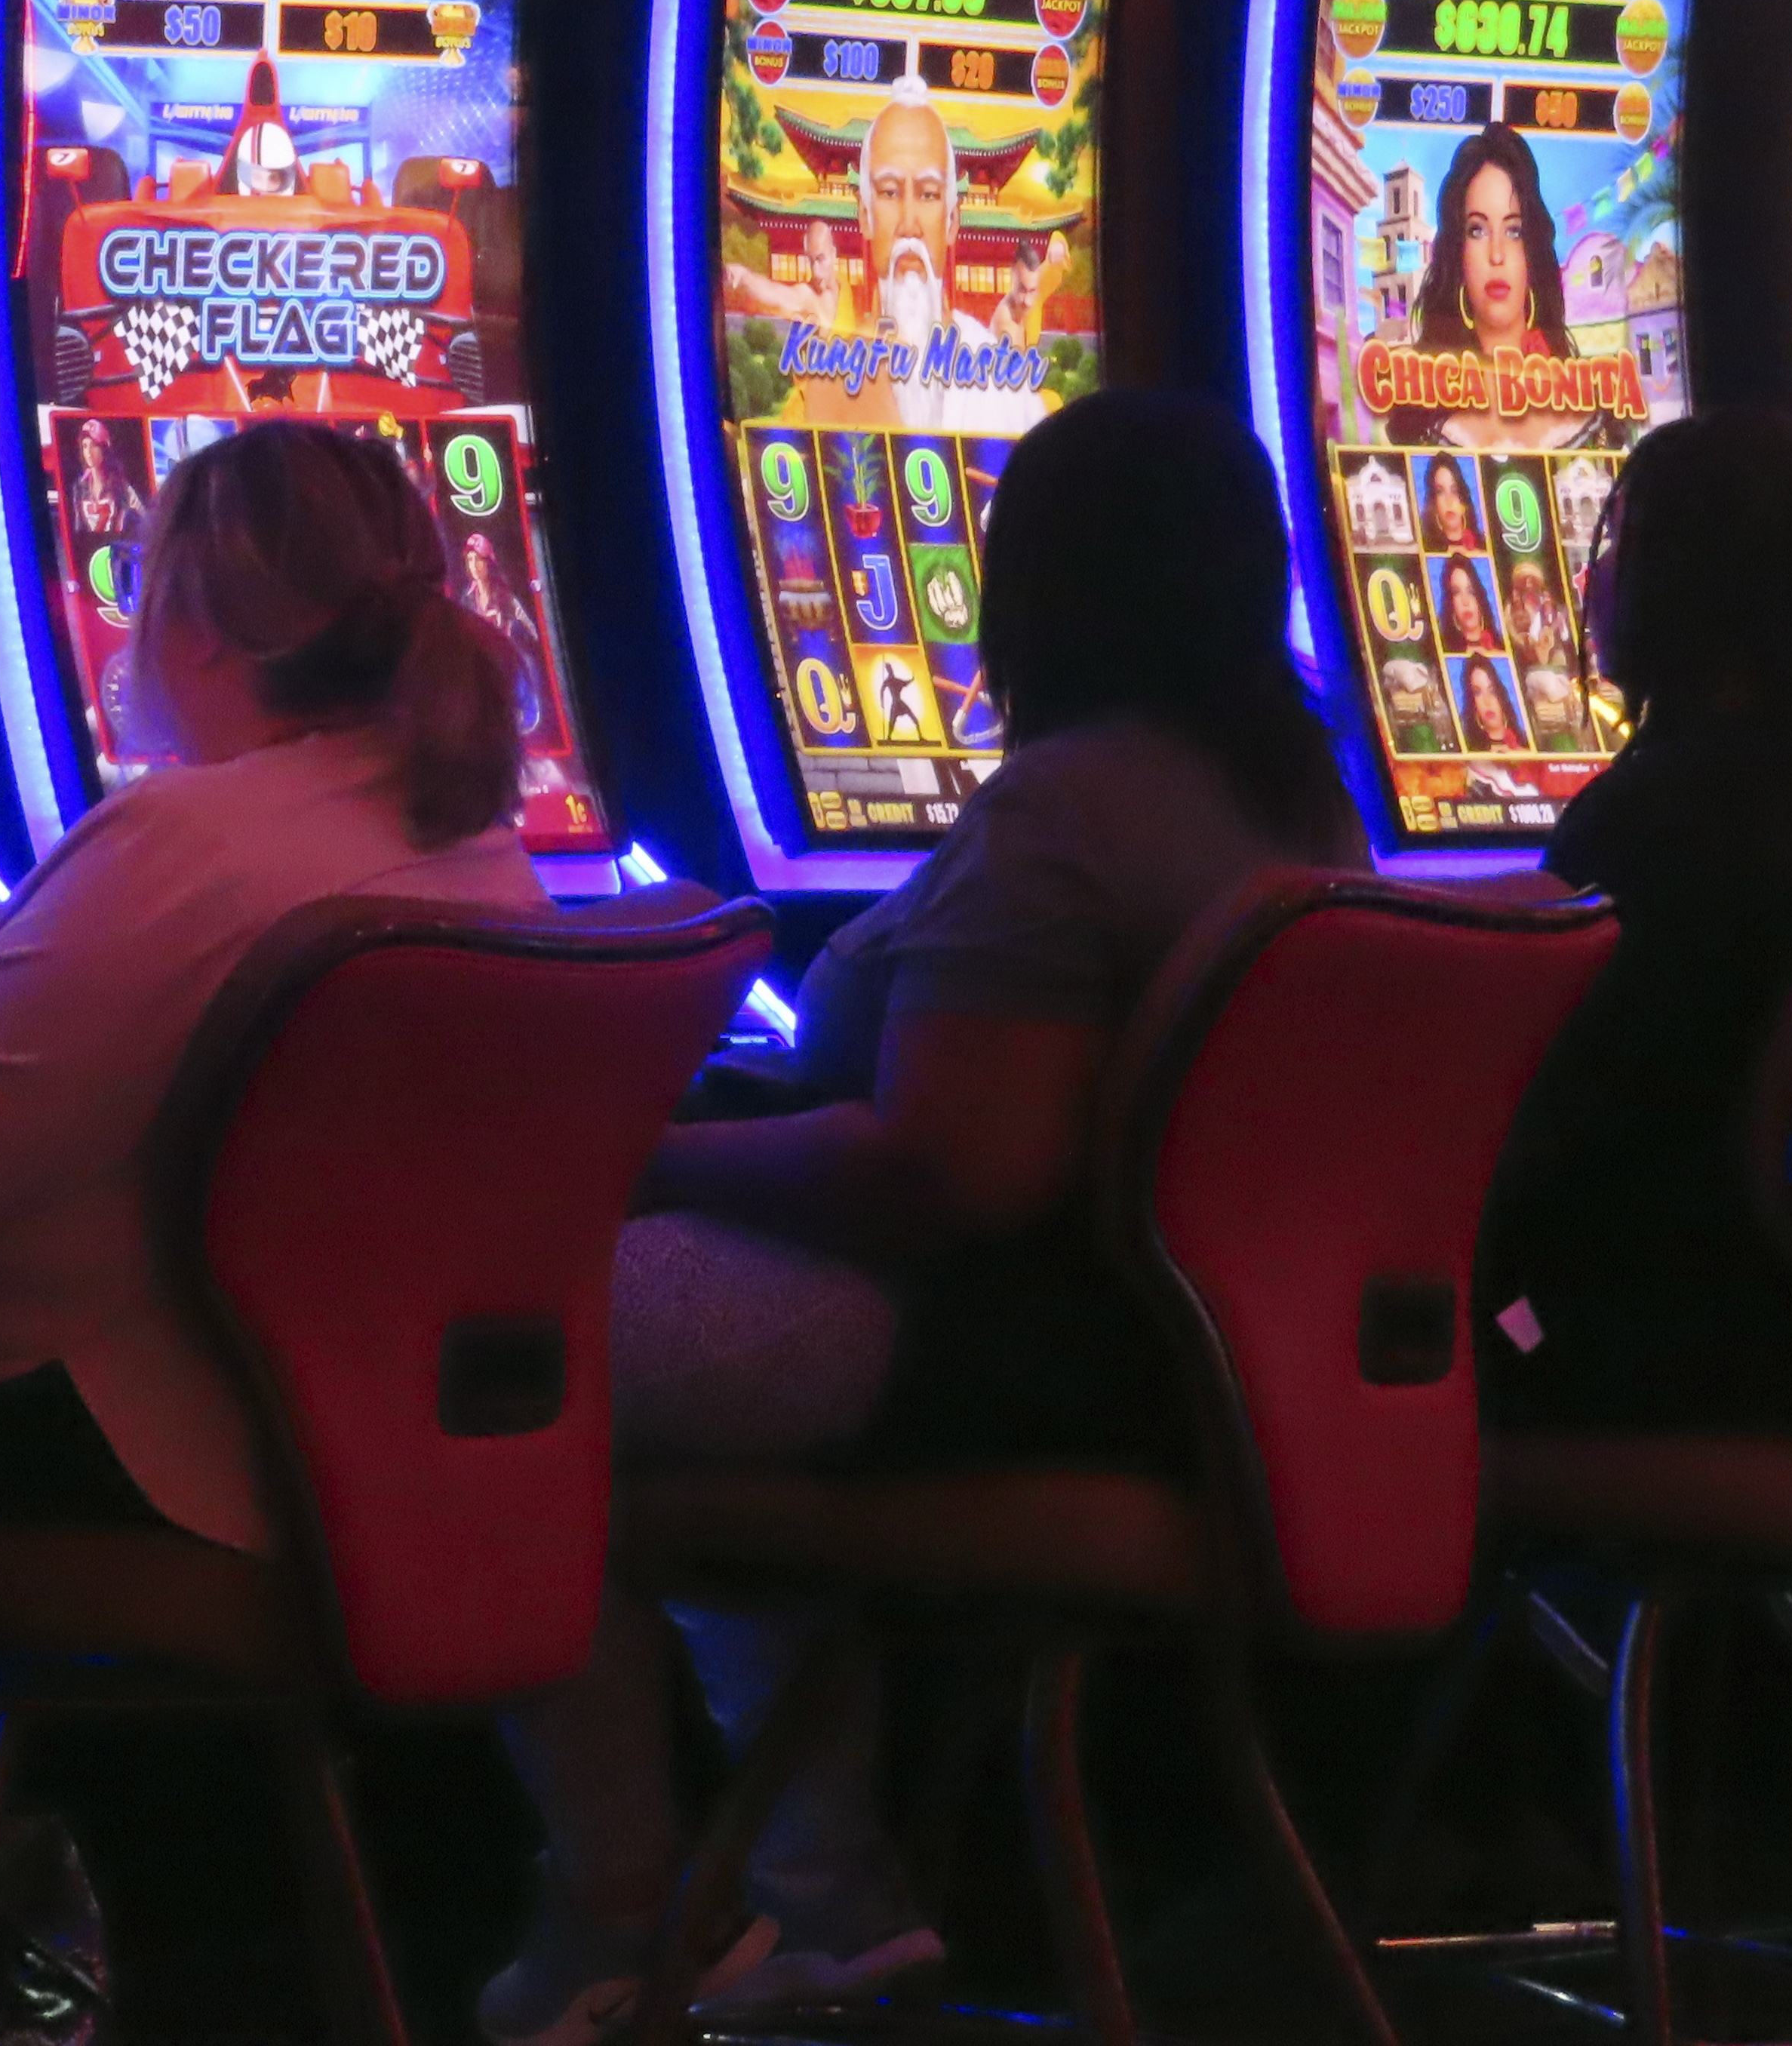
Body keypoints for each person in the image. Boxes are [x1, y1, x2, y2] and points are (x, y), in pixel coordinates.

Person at [484, 391, 1368, 2046]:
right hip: (1188, 1366)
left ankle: (616, 1910)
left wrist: (644, 1160)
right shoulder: (1298, 799)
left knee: (486, 1345)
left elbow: (956, 1168)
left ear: (1036, 584)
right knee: (664, 1374)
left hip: (1018, 1344)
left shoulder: (1070, 810)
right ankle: (823, 1908)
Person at [0, 420, 548, 1540]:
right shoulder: (479, 840)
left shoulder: (184, 842)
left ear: (196, 628)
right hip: (344, 1429)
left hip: (117, 1420)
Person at [1473, 410, 1792, 1434]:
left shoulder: (1658, 818)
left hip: (1668, 1350)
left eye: (1621, 539)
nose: (1592, 578)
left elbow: (1557, 1127)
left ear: (1677, 581)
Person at [1394, 124, 1596, 454]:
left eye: (1514, 231)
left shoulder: (1588, 419)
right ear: (1457, 251)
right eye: (1477, 231)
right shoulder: (1424, 422)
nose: (1497, 255)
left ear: (1533, 250)